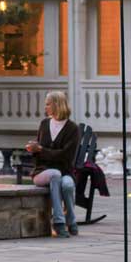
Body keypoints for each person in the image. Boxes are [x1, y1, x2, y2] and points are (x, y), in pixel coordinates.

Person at [26, 91, 81, 238]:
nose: (45, 107)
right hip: (42, 172)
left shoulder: (72, 129)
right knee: (55, 175)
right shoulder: (44, 124)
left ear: (57, 104)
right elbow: (40, 152)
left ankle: (71, 220)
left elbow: (66, 156)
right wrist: (34, 149)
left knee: (68, 185)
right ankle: (58, 222)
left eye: (48, 104)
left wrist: (42, 150)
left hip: (65, 171)